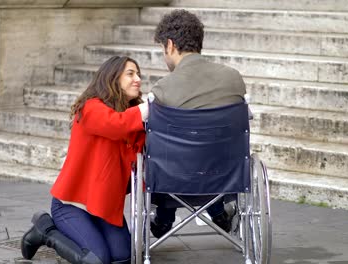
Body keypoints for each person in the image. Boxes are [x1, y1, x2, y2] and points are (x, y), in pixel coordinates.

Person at [20, 56, 148, 264]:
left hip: (104, 208)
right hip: (71, 205)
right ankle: (45, 231)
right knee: (97, 260)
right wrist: (145, 109)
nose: (138, 79)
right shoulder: (91, 108)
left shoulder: (130, 120)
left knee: (123, 258)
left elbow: (137, 161)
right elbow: (116, 125)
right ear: (113, 78)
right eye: (131, 74)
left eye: (138, 74)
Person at [149, 9, 247, 238]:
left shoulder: (163, 88)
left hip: (174, 180)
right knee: (209, 147)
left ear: (170, 45)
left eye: (163, 49)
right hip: (223, 175)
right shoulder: (233, 78)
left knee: (160, 149)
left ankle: (164, 218)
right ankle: (219, 212)